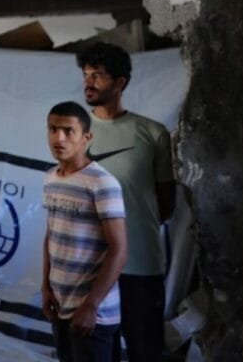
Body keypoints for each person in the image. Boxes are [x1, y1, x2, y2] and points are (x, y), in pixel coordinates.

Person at [77, 43, 174, 362]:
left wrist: (130, 234)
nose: (89, 82)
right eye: (86, 74)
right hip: (88, 268)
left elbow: (166, 204)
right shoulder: (74, 133)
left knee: (145, 351)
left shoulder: (152, 133)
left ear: (120, 83)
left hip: (140, 266)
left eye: (98, 75)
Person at [42, 101, 127, 362]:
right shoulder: (51, 178)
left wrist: (91, 305)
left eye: (69, 131)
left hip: (93, 314)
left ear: (87, 138)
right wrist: (46, 287)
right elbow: (51, 235)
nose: (59, 137)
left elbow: (119, 249)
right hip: (61, 306)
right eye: (53, 129)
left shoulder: (102, 183)